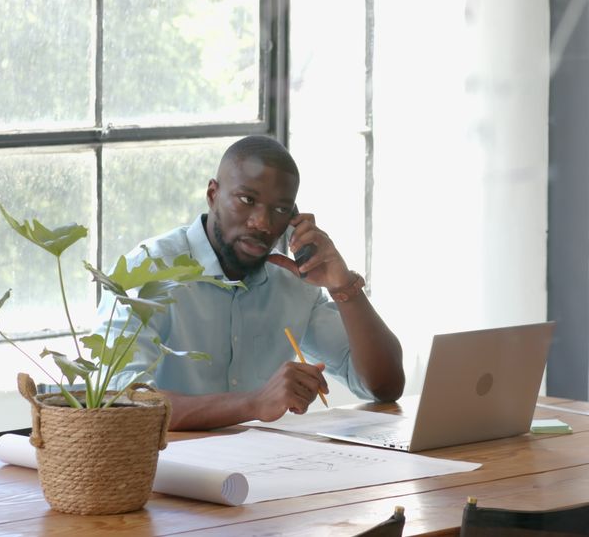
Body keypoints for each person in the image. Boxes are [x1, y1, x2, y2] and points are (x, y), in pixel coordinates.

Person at [97, 135, 404, 430]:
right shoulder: (147, 270)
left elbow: (384, 386)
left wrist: (344, 286)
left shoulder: (293, 282)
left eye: (281, 210)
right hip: (161, 473)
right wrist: (253, 404)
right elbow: (122, 401)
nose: (263, 223)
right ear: (213, 194)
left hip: (265, 472)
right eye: (247, 200)